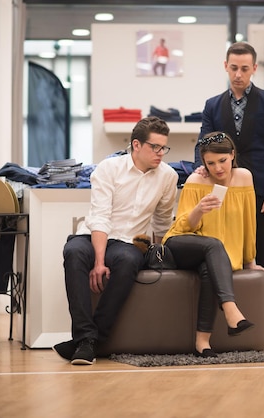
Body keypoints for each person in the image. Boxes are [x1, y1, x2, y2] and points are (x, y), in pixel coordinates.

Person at [54, 116, 178, 365]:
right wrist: (99, 262)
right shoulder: (108, 169)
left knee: (128, 259)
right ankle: (87, 338)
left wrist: (161, 255)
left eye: (164, 147)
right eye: (155, 147)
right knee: (74, 253)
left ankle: (88, 341)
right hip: (92, 234)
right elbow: (100, 217)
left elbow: (163, 221)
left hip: (128, 242)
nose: (160, 153)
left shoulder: (168, 176)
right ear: (136, 145)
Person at [194, 41, 264, 351]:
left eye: (244, 69)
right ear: (226, 66)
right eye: (233, 68)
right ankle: (227, 326)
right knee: (226, 256)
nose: (238, 74)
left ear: (254, 69)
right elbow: (202, 146)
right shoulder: (212, 104)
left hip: (262, 193)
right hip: (222, 193)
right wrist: (201, 171)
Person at [163, 131, 263, 357]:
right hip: (182, 244)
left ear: (232, 155)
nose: (217, 168)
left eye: (222, 161)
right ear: (203, 163)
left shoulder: (245, 177)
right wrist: (199, 210)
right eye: (210, 163)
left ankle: (202, 343)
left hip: (215, 255)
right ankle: (231, 311)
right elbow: (181, 226)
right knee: (213, 245)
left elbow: (250, 223)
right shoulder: (196, 180)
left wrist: (250, 261)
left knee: (211, 266)